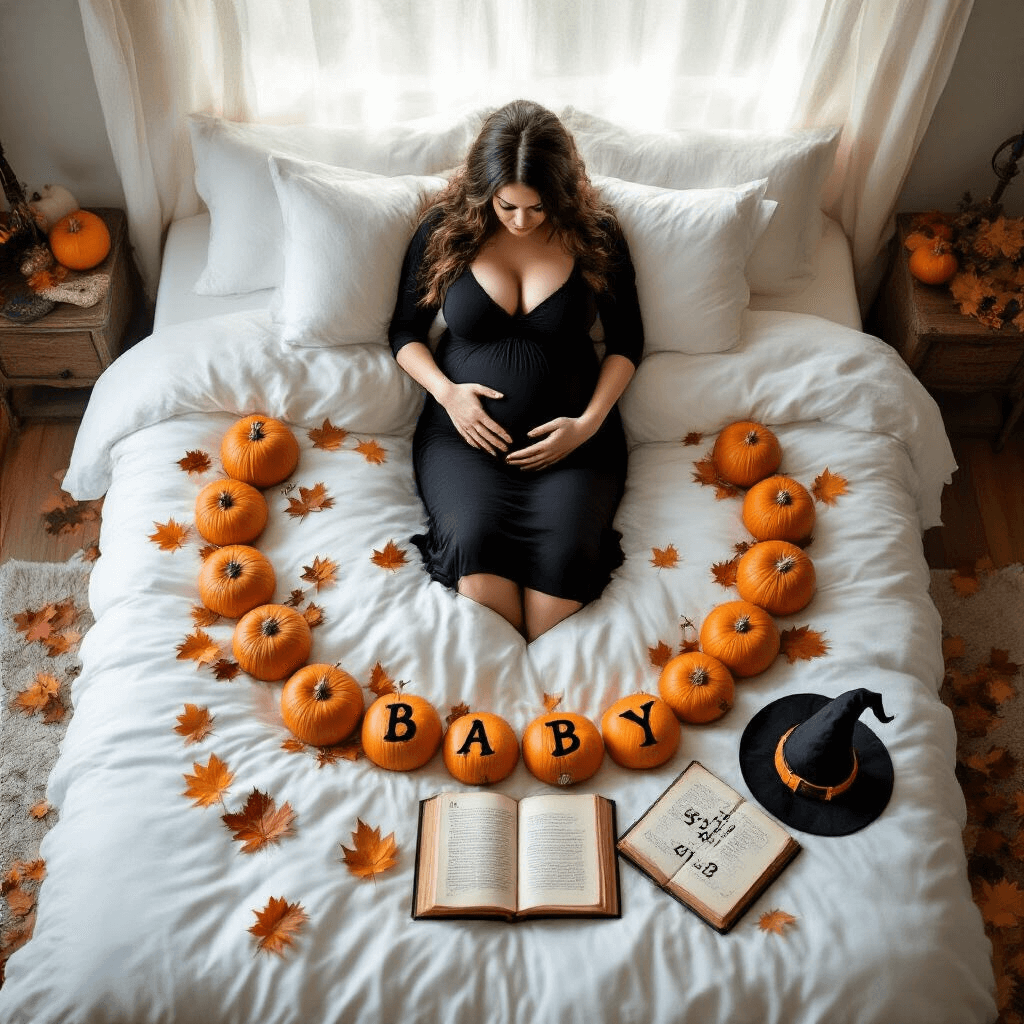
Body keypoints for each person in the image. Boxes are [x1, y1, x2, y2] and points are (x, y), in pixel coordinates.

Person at [388, 99, 644, 642]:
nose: (523, 221)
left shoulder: (596, 234)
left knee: (567, 564)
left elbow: (627, 342)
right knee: (477, 555)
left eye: (538, 207)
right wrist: (448, 394)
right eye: (508, 207)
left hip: (574, 443)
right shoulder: (444, 230)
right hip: (463, 439)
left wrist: (587, 425)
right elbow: (405, 333)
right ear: (486, 190)